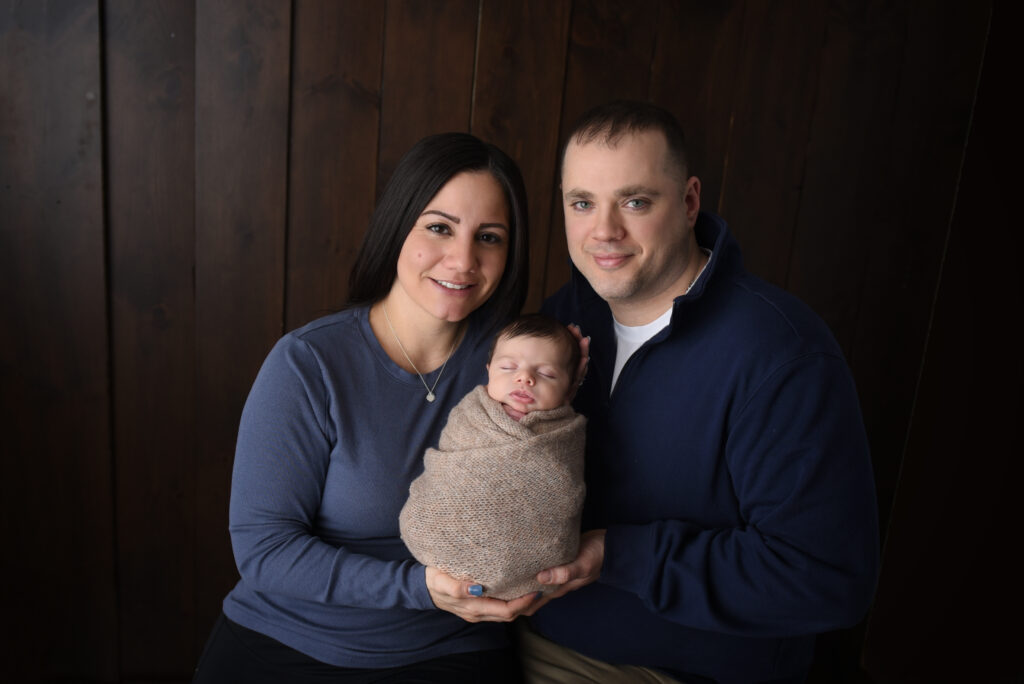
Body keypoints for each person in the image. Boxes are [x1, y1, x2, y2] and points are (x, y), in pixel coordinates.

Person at [519, 101, 880, 683]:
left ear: (689, 202)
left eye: (635, 201)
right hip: (521, 632)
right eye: (582, 203)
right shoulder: (564, 322)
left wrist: (617, 555)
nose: (604, 231)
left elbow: (825, 578)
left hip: (669, 670)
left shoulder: (779, 354)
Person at [193, 132, 538, 683]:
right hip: (285, 640)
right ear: (399, 223)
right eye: (439, 227)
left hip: (449, 647)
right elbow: (264, 550)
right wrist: (417, 588)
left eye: (489, 237)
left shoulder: (519, 368)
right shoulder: (308, 363)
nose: (464, 259)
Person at [400, 313, 587, 601]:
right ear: (488, 371)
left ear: (568, 389)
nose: (524, 378)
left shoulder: (564, 433)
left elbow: (562, 486)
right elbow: (448, 470)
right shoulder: (471, 416)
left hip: (532, 562)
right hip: (446, 528)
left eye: (547, 374)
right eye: (508, 367)